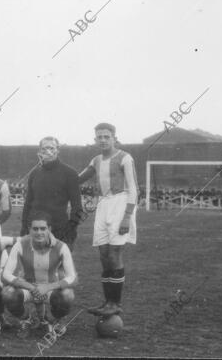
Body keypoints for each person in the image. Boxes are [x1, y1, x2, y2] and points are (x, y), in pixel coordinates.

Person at [79, 123, 138, 317]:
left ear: (114, 138)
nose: (103, 140)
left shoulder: (124, 158)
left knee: (114, 255)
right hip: (103, 205)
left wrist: (127, 217)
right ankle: (107, 302)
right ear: (95, 139)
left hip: (121, 204)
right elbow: (78, 178)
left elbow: (133, 189)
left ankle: (115, 303)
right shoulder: (96, 160)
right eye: (99, 137)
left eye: (106, 136)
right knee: (103, 256)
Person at [2, 211, 77, 339]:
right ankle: (26, 319)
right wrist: (30, 287)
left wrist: (48, 287)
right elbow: (6, 275)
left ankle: (53, 320)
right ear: (29, 230)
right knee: (8, 293)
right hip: (27, 288)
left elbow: (73, 278)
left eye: (43, 228)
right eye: (35, 229)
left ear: (49, 229)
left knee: (68, 295)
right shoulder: (20, 244)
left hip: (49, 289)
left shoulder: (61, 247)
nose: (39, 232)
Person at [20, 137, 83, 251]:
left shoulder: (70, 173)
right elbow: (28, 203)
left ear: (57, 150)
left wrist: (71, 230)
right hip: (35, 230)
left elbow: (77, 207)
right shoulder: (34, 173)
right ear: (39, 151)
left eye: (51, 148)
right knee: (34, 266)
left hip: (59, 229)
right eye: (44, 148)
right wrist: (24, 227)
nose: (48, 151)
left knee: (59, 267)